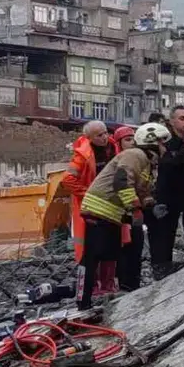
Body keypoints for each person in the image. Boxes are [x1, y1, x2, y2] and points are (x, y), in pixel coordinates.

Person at [76, 122, 170, 309]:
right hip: (99, 210)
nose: (165, 147)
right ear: (152, 142)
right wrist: (135, 208)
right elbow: (122, 181)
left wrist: (151, 206)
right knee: (92, 258)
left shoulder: (147, 162)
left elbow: (141, 191)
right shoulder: (135, 155)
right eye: (163, 143)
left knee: (111, 255)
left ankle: (95, 298)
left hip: (111, 213)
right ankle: (82, 301)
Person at [62, 121, 118, 295]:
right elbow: (68, 180)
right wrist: (89, 192)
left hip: (110, 204)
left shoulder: (114, 148)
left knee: (110, 246)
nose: (104, 137)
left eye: (105, 133)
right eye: (99, 135)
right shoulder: (82, 155)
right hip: (91, 207)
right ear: (89, 138)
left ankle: (108, 286)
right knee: (91, 248)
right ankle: (91, 287)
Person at [149, 105, 184, 279]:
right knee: (166, 229)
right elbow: (168, 164)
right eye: (182, 118)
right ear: (172, 121)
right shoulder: (166, 142)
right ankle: (161, 265)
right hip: (168, 191)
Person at [111, 126, 147, 293]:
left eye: (133, 139)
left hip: (133, 211)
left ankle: (134, 286)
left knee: (136, 247)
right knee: (122, 252)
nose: (132, 143)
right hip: (119, 213)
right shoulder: (116, 162)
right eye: (127, 140)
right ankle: (122, 285)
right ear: (118, 143)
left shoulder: (137, 159)